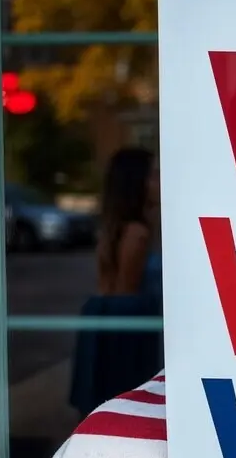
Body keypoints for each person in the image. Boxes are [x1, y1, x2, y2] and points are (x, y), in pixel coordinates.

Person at [69, 147, 165, 417]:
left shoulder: (117, 226)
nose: (160, 183)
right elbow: (127, 293)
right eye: (154, 176)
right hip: (125, 331)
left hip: (104, 323)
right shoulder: (137, 233)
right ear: (137, 183)